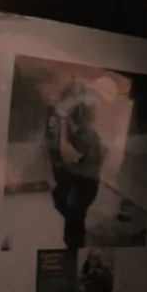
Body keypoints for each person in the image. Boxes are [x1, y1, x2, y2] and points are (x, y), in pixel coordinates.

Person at [46, 80, 107, 250]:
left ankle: (75, 247)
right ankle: (75, 236)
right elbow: (54, 150)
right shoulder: (63, 123)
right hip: (69, 174)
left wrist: (62, 133)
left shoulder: (87, 131)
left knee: (75, 211)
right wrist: (57, 133)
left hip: (86, 178)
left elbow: (69, 155)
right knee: (60, 200)